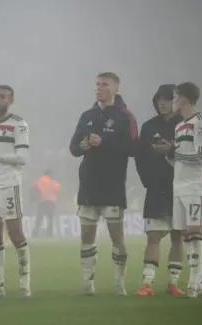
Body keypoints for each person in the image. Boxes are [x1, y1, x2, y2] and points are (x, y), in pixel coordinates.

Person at [68, 72, 139, 296]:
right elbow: (72, 148)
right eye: (97, 84)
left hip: (113, 185)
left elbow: (134, 149)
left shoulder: (125, 116)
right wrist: (83, 147)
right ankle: (88, 285)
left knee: (116, 236)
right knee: (86, 235)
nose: (99, 88)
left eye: (104, 84)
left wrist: (104, 142)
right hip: (88, 184)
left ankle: (120, 285)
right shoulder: (86, 115)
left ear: (116, 88)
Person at [154, 82, 202, 298]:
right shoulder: (180, 126)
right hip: (179, 186)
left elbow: (199, 156)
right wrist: (168, 154)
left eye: (176, 96)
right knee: (187, 237)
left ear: (185, 99)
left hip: (197, 185)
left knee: (195, 233)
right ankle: (201, 284)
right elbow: (179, 161)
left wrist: (173, 152)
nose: (172, 100)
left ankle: (195, 282)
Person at [134, 84, 186, 297]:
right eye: (159, 99)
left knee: (177, 236)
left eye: (167, 99)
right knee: (153, 236)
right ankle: (148, 283)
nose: (162, 103)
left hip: (179, 188)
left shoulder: (185, 125)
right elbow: (140, 157)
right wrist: (147, 180)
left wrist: (171, 150)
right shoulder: (148, 127)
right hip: (156, 189)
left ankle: (173, 283)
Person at [0, 85, 31, 297]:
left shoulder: (18, 124)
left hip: (9, 184)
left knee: (16, 233)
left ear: (11, 100)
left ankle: (24, 284)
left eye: (2, 97)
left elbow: (22, 158)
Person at [31, 170, 61, 238]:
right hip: (50, 202)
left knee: (39, 219)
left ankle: (35, 233)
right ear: (49, 174)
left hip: (41, 202)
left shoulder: (39, 181)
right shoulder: (52, 181)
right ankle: (49, 233)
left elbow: (34, 189)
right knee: (50, 219)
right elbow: (57, 188)